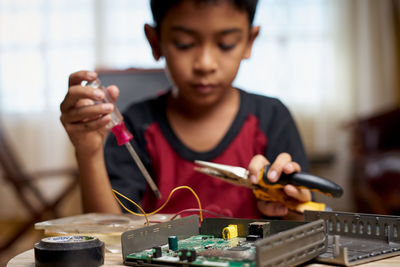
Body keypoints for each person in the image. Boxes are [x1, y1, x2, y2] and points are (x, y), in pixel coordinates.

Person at [60, 0, 311, 219]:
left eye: (225, 44)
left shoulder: (271, 118)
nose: (205, 64)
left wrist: (290, 207)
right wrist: (88, 152)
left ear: (249, 41)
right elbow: (108, 234)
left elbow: (303, 223)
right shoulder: (138, 125)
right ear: (155, 42)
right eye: (184, 43)